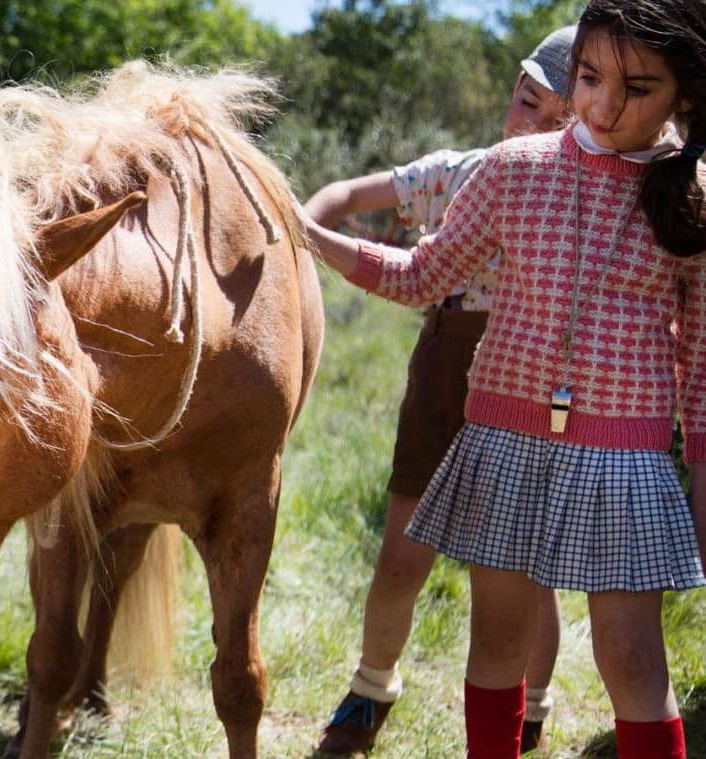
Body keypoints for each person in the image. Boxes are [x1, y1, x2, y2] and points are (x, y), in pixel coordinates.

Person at [302, 0, 706, 755]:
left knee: (632, 658)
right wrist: (314, 237)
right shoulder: (512, 169)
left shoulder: (693, 197)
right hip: (504, 441)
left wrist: (704, 485)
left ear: (685, 93)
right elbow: (423, 275)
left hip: (626, 458)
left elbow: (703, 370)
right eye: (589, 78)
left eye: (637, 88)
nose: (603, 105)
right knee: (496, 642)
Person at [308, 27, 575, 755]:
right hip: (444, 368)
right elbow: (348, 194)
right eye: (527, 101)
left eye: (557, 121)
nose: (531, 125)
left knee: (529, 570)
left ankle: (531, 708)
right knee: (402, 552)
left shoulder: (579, 203)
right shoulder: (459, 175)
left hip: (531, 379)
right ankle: (369, 691)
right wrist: (304, 226)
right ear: (511, 92)